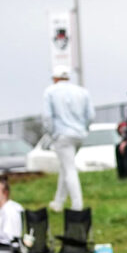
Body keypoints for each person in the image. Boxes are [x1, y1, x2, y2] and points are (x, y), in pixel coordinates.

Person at [42, 65, 94, 211]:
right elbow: (90, 116)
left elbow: (47, 117)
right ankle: (58, 202)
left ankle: (77, 205)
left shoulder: (50, 92)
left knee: (69, 169)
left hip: (62, 135)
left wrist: (52, 133)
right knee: (65, 167)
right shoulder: (82, 91)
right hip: (79, 135)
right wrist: (84, 129)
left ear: (55, 78)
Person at [0, 177, 23, 253]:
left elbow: (9, 236)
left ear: (5, 193)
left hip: (6, 249)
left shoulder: (9, 211)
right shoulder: (15, 206)